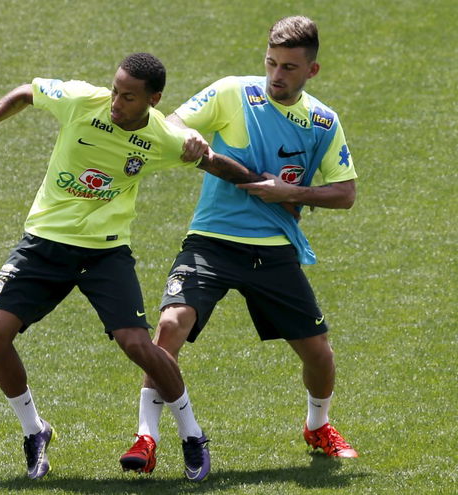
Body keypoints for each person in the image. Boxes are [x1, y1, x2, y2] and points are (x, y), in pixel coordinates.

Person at [0, 52, 265, 480]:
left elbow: (213, 164)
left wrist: (264, 186)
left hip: (104, 253)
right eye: (116, 91)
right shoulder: (84, 101)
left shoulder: (162, 137)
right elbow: (26, 92)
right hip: (44, 244)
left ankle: (191, 434)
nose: (116, 103)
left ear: (154, 100)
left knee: (138, 346)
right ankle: (34, 431)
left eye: (129, 97)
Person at [120, 16, 359, 480]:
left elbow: (345, 192)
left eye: (289, 67)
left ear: (312, 70)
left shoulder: (323, 121)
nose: (276, 75)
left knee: (319, 355)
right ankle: (145, 437)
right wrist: (185, 137)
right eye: (271, 62)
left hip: (273, 252)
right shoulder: (233, 92)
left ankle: (318, 425)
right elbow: (171, 123)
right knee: (170, 325)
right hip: (212, 242)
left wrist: (293, 194)